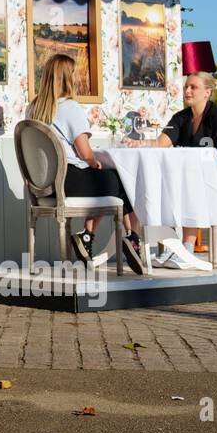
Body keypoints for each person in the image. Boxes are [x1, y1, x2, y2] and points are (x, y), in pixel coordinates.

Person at [30, 54, 145, 273]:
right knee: (123, 178)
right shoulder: (70, 108)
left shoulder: (32, 110)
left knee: (111, 181)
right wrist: (94, 161)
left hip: (46, 187)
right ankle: (132, 238)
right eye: (73, 74)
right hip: (69, 180)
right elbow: (84, 152)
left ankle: (90, 237)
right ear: (67, 78)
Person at [128, 71, 217, 257]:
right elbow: (160, 143)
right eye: (186, 87)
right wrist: (138, 142)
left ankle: (186, 248)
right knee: (163, 184)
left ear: (207, 92)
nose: (188, 91)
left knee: (192, 184)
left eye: (193, 87)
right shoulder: (181, 117)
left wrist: (198, 172)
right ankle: (170, 244)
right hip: (192, 175)